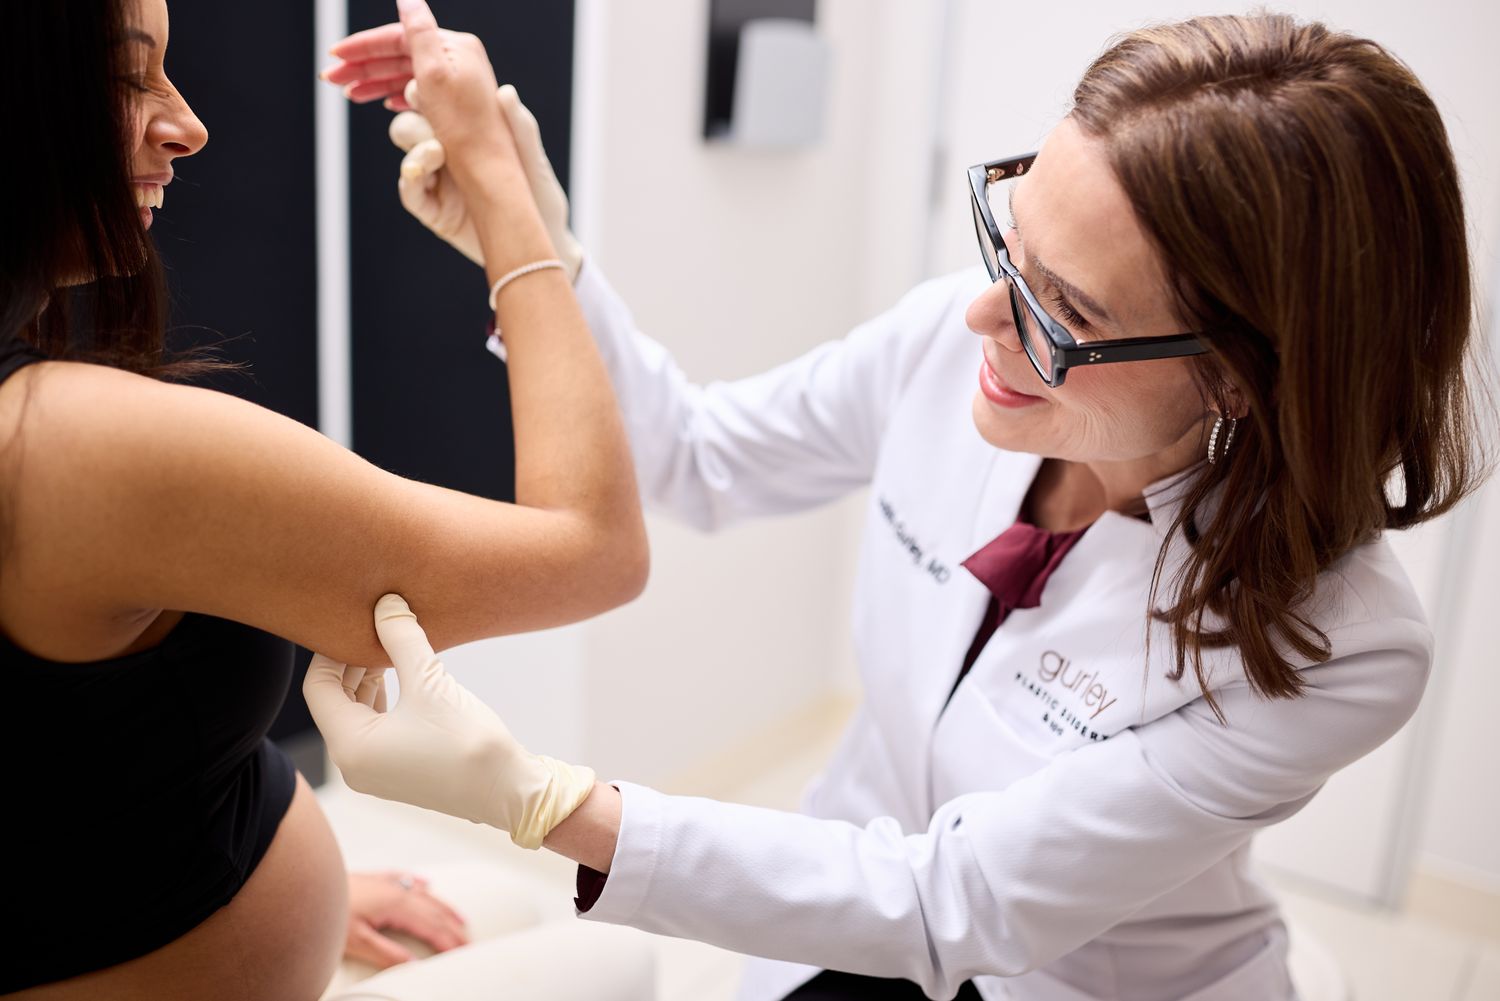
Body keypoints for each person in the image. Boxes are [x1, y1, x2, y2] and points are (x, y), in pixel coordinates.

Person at [313, 10, 1491, 1001]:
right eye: (1009, 244)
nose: (984, 318)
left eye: (1064, 309)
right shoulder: (953, 338)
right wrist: (542, 257)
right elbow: (701, 457)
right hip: (842, 918)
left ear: (1241, 372)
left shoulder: (1343, 643)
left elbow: (958, 898)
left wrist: (548, 802)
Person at [0, 0, 648, 997]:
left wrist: (304, 868)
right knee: (621, 953)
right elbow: (592, 550)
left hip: (175, 884)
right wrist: (505, 198)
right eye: (132, 79)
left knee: (508, 898)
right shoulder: (70, 443)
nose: (187, 123)